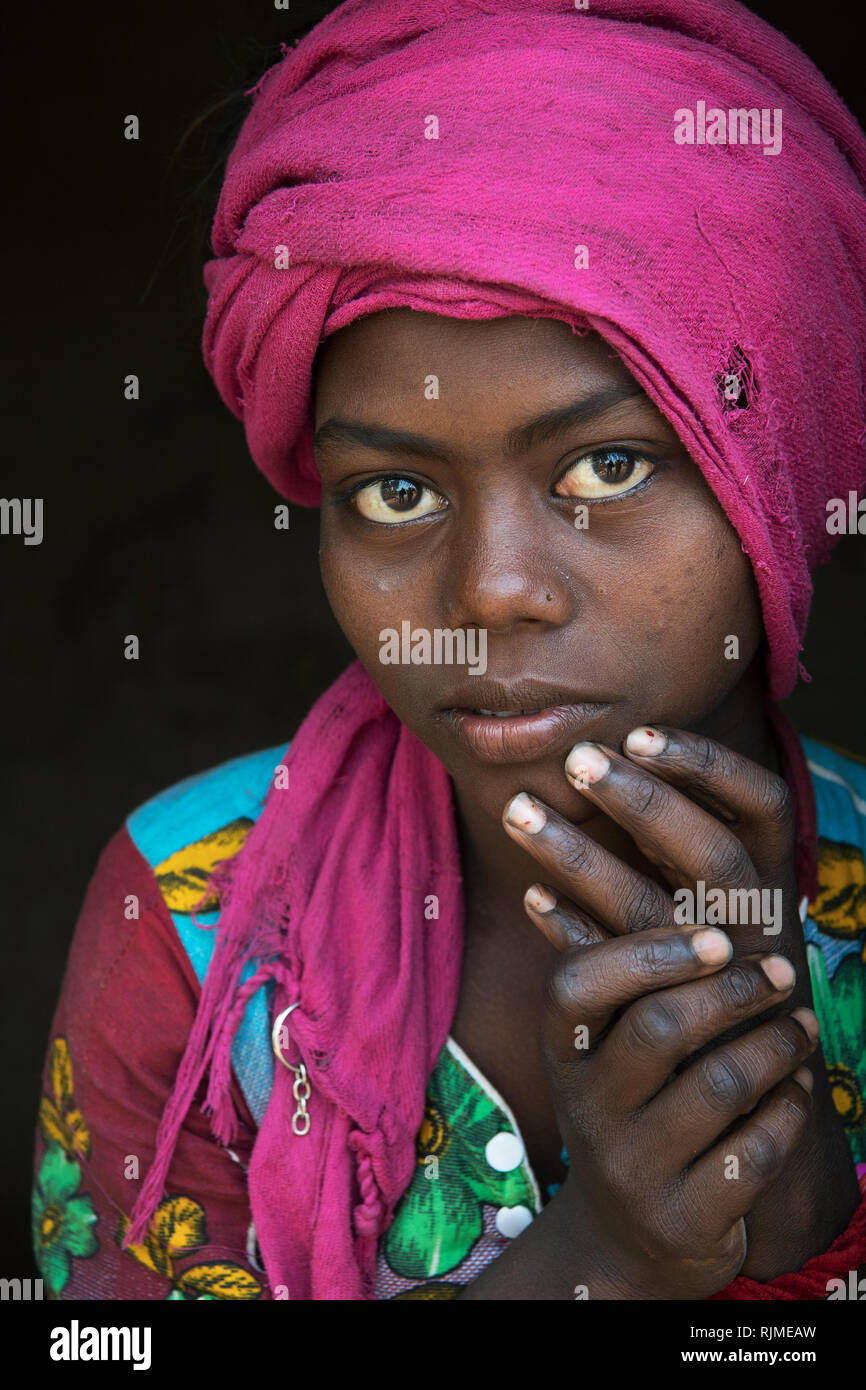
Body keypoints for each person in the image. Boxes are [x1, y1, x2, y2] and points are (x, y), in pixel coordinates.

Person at [32, 0, 866, 1300]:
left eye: (605, 464)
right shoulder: (189, 915)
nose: (494, 591)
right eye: (397, 493)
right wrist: (600, 1264)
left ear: (775, 481)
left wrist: (807, 1220)